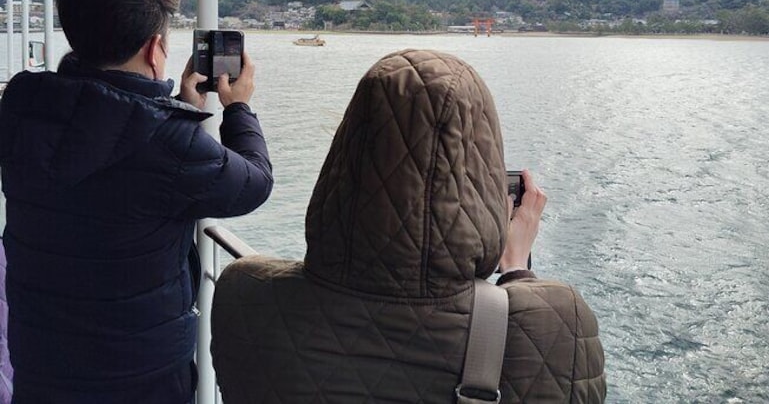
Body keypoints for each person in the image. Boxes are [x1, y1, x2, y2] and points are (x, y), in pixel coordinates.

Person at [211, 49, 605, 403]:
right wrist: (517, 267)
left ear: (346, 155)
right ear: (482, 172)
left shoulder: (243, 293)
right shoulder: (560, 322)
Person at [0, 0, 274, 403]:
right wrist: (238, 107)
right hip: (137, 374)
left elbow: (106, 146)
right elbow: (254, 183)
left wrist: (184, 109)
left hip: (42, 358)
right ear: (155, 48)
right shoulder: (169, 143)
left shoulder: (23, 108)